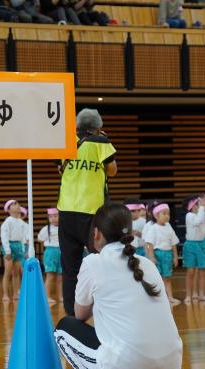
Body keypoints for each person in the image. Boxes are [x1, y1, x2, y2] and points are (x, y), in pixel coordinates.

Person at [54, 203, 182, 369]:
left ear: (96, 234)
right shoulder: (147, 264)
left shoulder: (93, 263)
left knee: (63, 328)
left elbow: (79, 315)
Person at [57, 108, 117, 316]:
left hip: (66, 210)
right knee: (100, 260)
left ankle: (71, 314)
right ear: (97, 126)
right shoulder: (101, 142)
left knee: (69, 266)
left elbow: (59, 169)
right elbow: (112, 171)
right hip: (92, 211)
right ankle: (102, 309)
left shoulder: (66, 141)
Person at [145, 202, 181, 304]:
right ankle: (159, 298)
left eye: (168, 213)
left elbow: (173, 243)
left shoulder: (169, 227)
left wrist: (175, 256)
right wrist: (151, 256)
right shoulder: (153, 228)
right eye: (164, 213)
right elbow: (149, 244)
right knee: (157, 278)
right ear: (156, 216)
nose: (167, 216)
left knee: (167, 277)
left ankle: (170, 297)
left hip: (167, 255)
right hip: (157, 254)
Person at [182, 194, 205, 304]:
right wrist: (202, 207)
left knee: (203, 270)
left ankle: (201, 294)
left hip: (202, 244)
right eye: (198, 204)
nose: (200, 206)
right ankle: (188, 295)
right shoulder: (189, 215)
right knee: (191, 271)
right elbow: (197, 221)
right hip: (191, 245)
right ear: (192, 206)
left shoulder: (201, 213)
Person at [0, 199, 26, 302]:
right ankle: (5, 294)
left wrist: (22, 249)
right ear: (8, 210)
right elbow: (4, 237)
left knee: (16, 273)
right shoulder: (7, 222)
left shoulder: (21, 222)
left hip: (18, 246)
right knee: (7, 272)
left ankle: (16, 293)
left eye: (17, 204)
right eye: (14, 204)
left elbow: (23, 237)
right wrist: (7, 251)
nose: (17, 205)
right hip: (10, 246)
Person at [38, 207, 63, 304]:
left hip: (61, 252)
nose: (53, 218)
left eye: (56, 216)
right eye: (51, 217)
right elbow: (40, 239)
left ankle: (60, 296)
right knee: (50, 276)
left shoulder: (63, 228)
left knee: (60, 277)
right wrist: (49, 246)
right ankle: (47, 297)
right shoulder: (46, 229)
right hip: (50, 252)